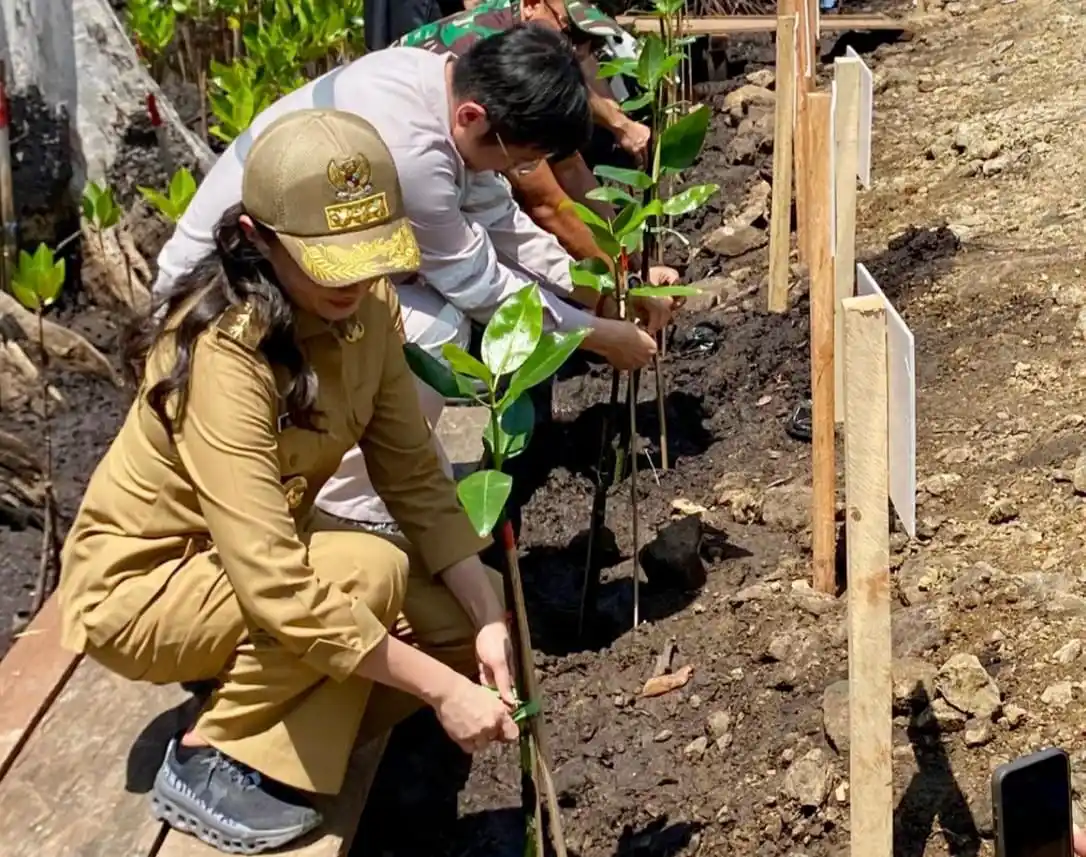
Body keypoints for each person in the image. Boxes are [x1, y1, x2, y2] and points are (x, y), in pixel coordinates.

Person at [60, 108, 521, 854]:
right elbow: (274, 579)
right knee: (368, 571)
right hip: (145, 588)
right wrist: (440, 692)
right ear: (256, 239)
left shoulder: (369, 307)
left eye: (369, 254)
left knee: (457, 629)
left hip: (249, 566)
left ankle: (267, 701)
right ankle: (216, 754)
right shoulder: (224, 350)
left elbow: (409, 467)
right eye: (327, 260)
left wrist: (487, 608)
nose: (356, 278)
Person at [152, 26, 670, 536]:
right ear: (473, 118)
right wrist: (597, 337)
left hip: (290, 276)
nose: (524, 170)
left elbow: (501, 221)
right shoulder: (413, 149)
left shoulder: (438, 80)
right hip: (218, 300)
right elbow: (482, 288)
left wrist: (612, 290)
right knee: (435, 327)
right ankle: (351, 511)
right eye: (523, 159)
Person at [394, 0, 663, 267]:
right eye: (570, 33)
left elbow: (570, 165)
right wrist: (620, 275)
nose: (578, 50)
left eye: (590, 41)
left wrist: (628, 254)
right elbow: (546, 204)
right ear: (532, 5)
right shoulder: (500, 62)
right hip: (403, 167)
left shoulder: (535, 41)